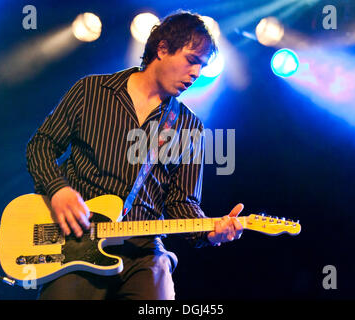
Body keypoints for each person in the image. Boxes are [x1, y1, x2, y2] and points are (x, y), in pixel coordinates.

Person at [26, 10, 243, 300]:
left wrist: (211, 232)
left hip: (143, 254)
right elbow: (41, 145)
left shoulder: (189, 125)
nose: (196, 73)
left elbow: (182, 202)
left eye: (202, 67)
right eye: (192, 61)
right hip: (77, 241)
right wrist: (57, 190)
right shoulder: (91, 91)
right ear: (163, 48)